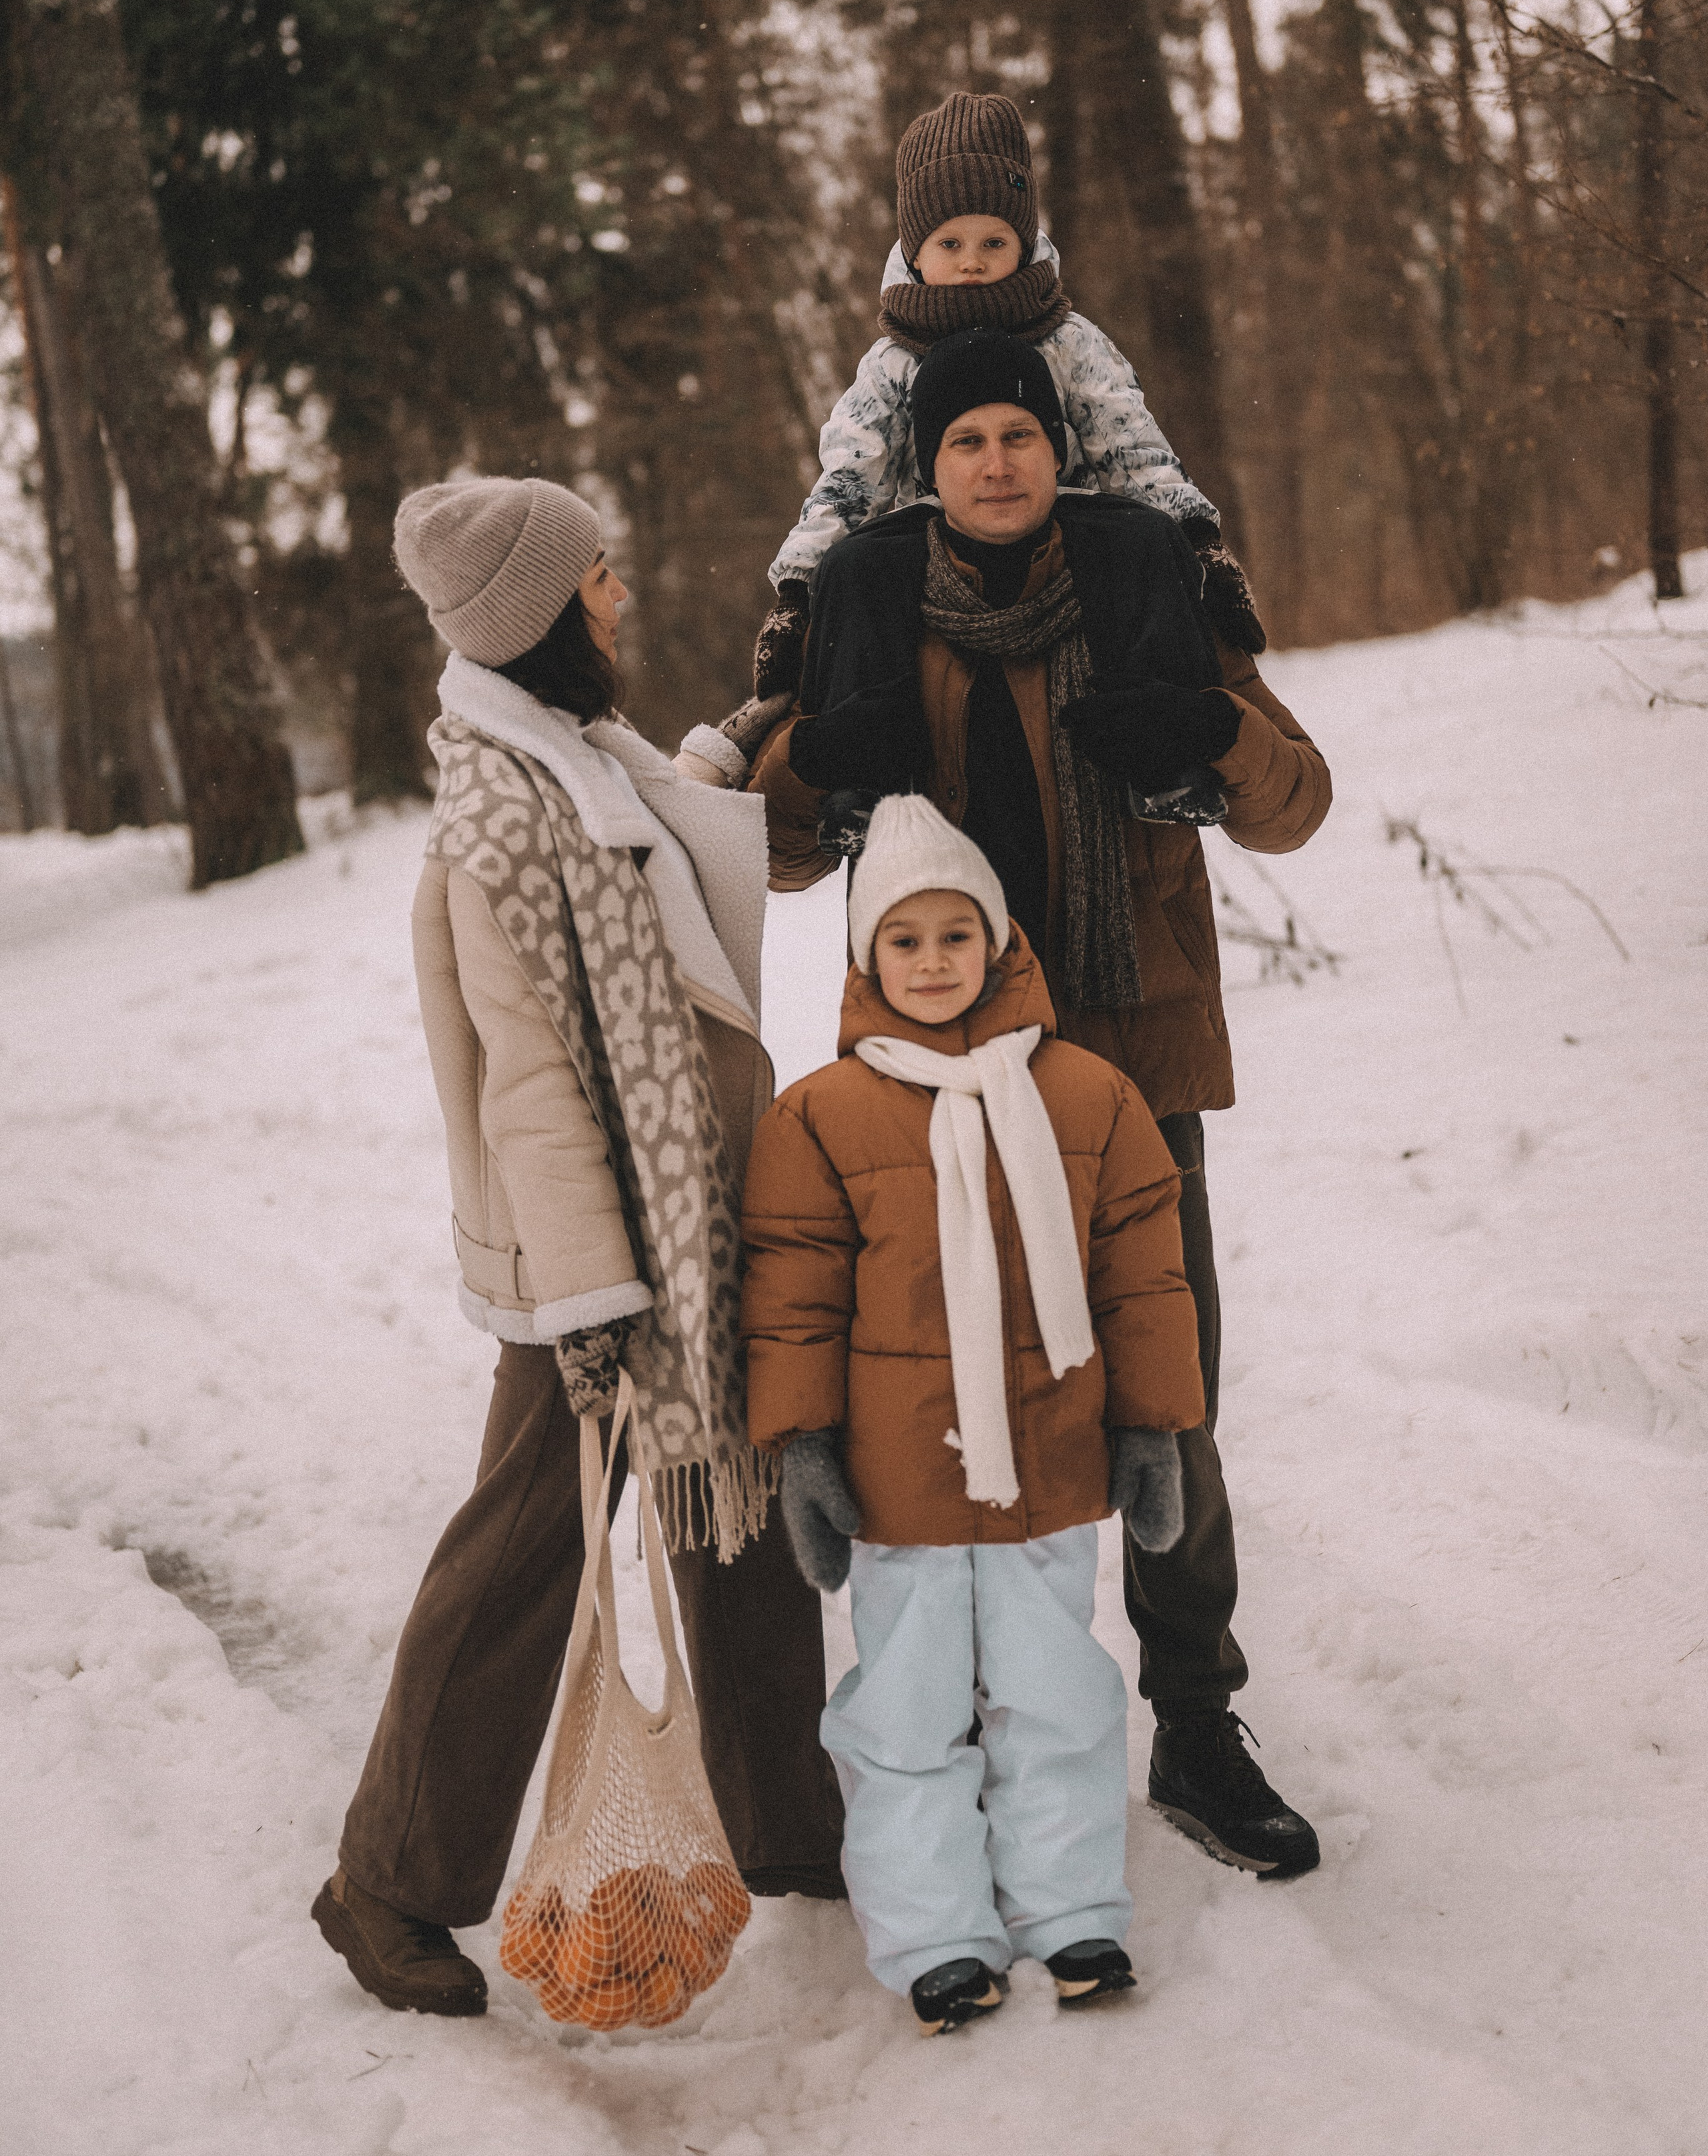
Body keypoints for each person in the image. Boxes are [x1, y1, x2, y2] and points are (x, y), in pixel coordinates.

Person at [747, 332, 1333, 1881]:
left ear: (1057, 450)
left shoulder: (1146, 583)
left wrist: (1206, 730)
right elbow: (780, 837)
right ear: (926, 469)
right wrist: (818, 756)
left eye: (1019, 433)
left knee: (1164, 1390)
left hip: (1128, 1070)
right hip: (930, 1087)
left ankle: (1197, 1719)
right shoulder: (868, 604)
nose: (995, 460)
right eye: (964, 441)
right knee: (949, 1401)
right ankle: (981, 1730)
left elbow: (1293, 795)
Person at [312, 476, 843, 2021]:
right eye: (594, 576)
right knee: (522, 1552)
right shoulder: (496, 815)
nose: (618, 594)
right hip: (595, 1263)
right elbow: (531, 1073)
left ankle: (789, 1828)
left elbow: (659, 862)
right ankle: (386, 1879)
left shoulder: (579, 762)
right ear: (539, 613)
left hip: (685, 1221)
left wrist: (742, 741)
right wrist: (593, 1301)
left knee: (727, 1512)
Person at [741, 796, 1206, 2035]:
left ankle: (1071, 1913)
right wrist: (803, 1448)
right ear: (864, 959)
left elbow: (1146, 1276)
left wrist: (1154, 1427)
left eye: (959, 934)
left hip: (1049, 1466)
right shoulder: (818, 1118)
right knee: (904, 1716)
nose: (935, 961)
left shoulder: (1089, 1096)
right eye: (905, 940)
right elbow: (789, 1294)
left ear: (1002, 945)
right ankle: (938, 1934)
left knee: (1060, 1696)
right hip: (901, 1487)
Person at [724, 89, 1264, 720]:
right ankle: (862, 760)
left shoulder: (1067, 340)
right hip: (938, 544)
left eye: (993, 242)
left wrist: (1197, 540)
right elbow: (852, 476)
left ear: (1024, 243)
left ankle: (1169, 727)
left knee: (1141, 543)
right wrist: (798, 592)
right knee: (859, 569)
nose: (973, 263)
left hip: (1062, 532)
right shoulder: (894, 362)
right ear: (915, 253)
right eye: (950, 245)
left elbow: (1129, 444)